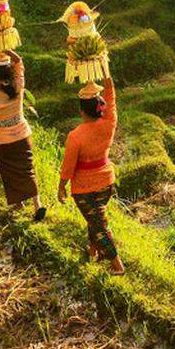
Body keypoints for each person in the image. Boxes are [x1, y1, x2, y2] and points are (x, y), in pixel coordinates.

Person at [57, 77, 125, 276]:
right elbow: (111, 97)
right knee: (94, 219)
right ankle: (93, 250)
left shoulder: (75, 136)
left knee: (99, 226)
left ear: (82, 111)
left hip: (85, 189)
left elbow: (68, 166)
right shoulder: (109, 122)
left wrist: (61, 186)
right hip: (106, 183)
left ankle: (117, 266)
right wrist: (106, 77)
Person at [0, 51, 45, 221]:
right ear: (10, 73)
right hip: (23, 137)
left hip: (3, 142)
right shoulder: (18, 85)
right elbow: (19, 63)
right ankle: (37, 204)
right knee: (28, 170)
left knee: (9, 173)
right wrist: (8, 50)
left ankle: (19, 203)